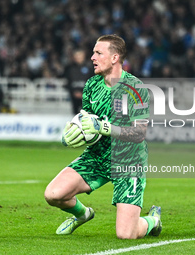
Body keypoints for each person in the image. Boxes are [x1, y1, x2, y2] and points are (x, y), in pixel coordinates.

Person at [44, 34, 162, 239]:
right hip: (98, 155)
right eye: (93, 52)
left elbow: (139, 133)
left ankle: (153, 220)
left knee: (126, 234)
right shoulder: (91, 85)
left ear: (115, 57)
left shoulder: (136, 88)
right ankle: (82, 215)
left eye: (98, 53)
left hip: (128, 159)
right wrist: (76, 131)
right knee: (53, 195)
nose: (92, 57)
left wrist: (105, 127)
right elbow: (88, 121)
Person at [65, 49, 93, 114]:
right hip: (74, 96)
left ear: (84, 56)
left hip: (86, 97)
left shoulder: (90, 68)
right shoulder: (69, 68)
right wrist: (73, 92)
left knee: (87, 115)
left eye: (80, 56)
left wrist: (85, 93)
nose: (78, 58)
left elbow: (92, 82)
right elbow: (68, 82)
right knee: (76, 115)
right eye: (76, 56)